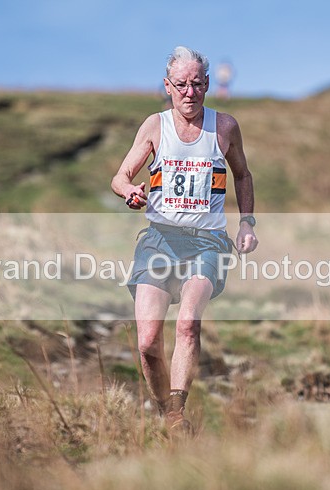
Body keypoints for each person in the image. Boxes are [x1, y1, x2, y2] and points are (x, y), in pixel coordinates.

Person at [110, 46, 258, 435]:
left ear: (207, 84)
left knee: (188, 324)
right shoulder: (154, 127)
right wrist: (129, 192)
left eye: (196, 84)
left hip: (207, 243)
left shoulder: (224, 127)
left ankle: (177, 413)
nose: (189, 93)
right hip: (159, 241)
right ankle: (167, 412)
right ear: (167, 86)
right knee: (147, 343)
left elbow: (242, 175)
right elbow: (120, 176)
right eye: (181, 85)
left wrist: (246, 223)